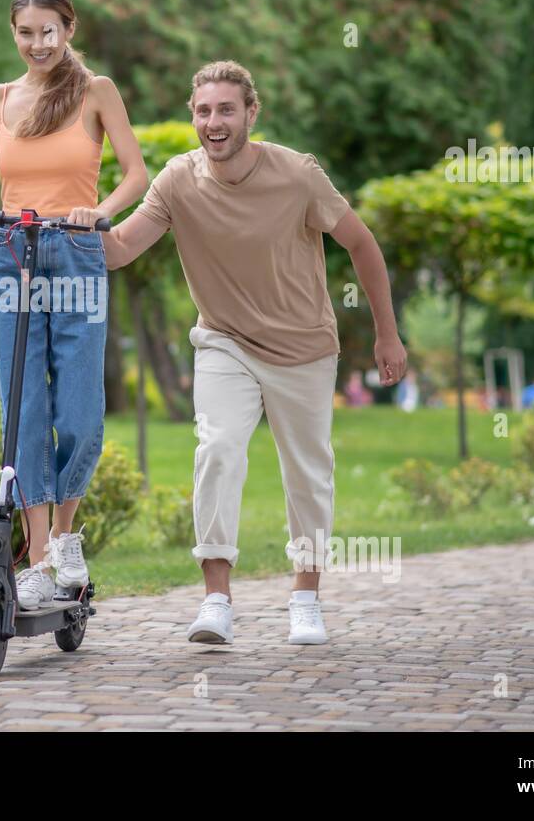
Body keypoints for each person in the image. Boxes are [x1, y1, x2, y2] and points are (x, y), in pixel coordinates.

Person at [103, 60, 407, 646]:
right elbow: (120, 249)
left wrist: (387, 333)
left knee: (308, 471)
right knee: (216, 446)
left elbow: (362, 244)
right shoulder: (177, 179)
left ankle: (305, 597)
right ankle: (216, 598)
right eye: (202, 111)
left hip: (303, 347)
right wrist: (78, 225)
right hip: (225, 341)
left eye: (224, 110)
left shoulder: (297, 175)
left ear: (250, 114)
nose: (212, 122)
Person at [0, 0, 148, 610]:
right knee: (23, 410)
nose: (37, 43)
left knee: (80, 416)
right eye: (25, 32)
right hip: (11, 256)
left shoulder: (97, 92)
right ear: (14, 32)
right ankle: (34, 561)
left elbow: (136, 174)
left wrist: (100, 210)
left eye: (48, 31)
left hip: (77, 253)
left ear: (69, 28)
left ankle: (63, 542)